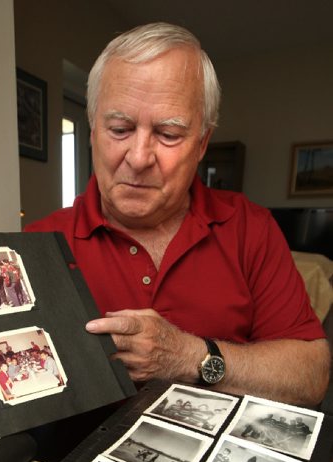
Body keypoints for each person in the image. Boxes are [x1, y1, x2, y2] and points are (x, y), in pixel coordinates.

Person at [25, 22, 330, 407]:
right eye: (120, 129)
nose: (138, 158)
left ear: (202, 144)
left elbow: (311, 377)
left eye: (168, 134)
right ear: (91, 131)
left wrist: (190, 357)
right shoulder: (36, 244)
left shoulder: (250, 227)